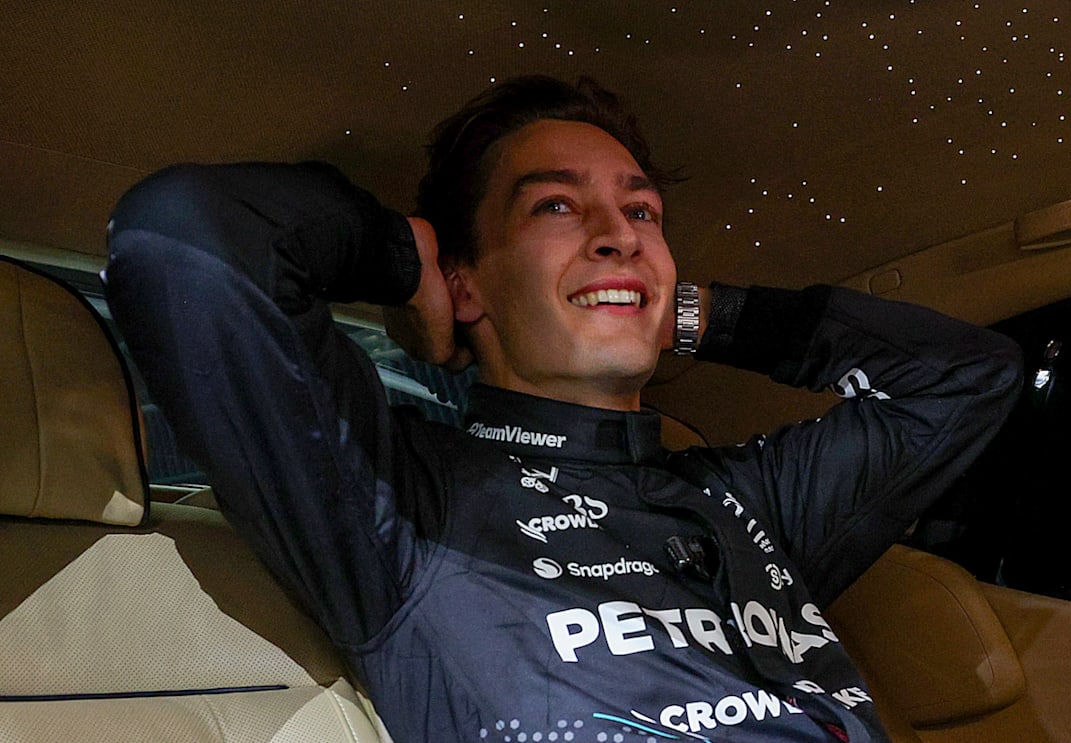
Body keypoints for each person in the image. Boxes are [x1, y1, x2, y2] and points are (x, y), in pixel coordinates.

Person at [105, 75, 1022, 742]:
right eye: (555, 206)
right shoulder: (396, 502)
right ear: (467, 284)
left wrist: (688, 309)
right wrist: (399, 257)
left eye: (644, 213)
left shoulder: (754, 498)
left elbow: (969, 374)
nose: (620, 233)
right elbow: (183, 235)